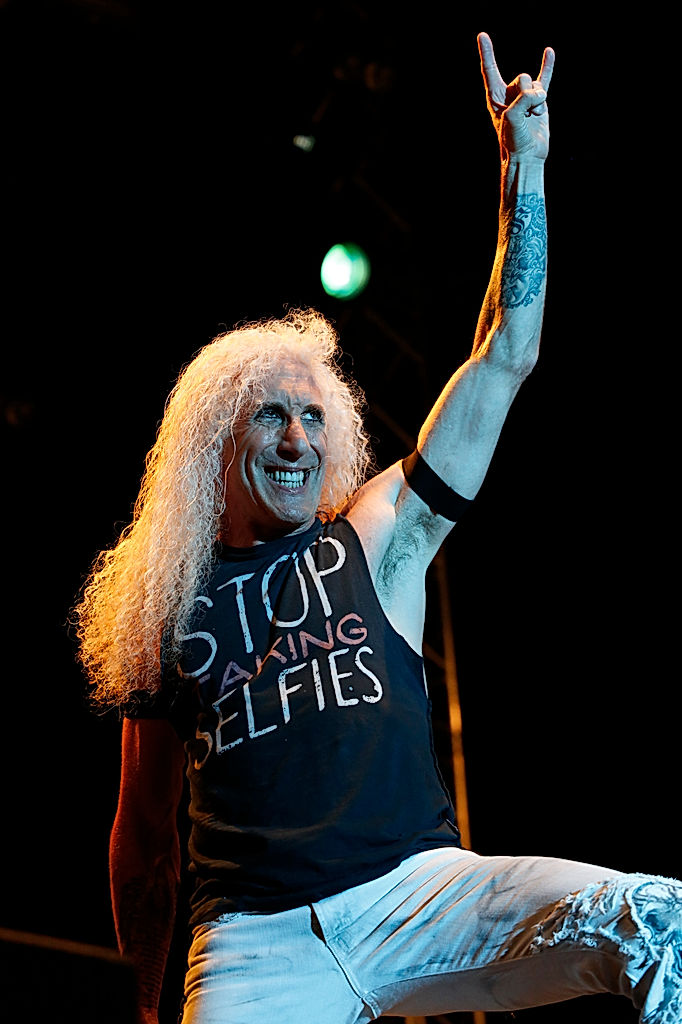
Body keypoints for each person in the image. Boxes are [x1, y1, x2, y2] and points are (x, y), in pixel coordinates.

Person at [73, 31, 681, 1024]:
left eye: (315, 417)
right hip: (255, 945)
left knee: (658, 920)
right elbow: (142, 840)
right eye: (272, 414)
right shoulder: (166, 606)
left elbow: (503, 356)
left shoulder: (373, 534)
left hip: (419, 894)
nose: (298, 437)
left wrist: (524, 166)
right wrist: (146, 1001)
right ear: (216, 442)